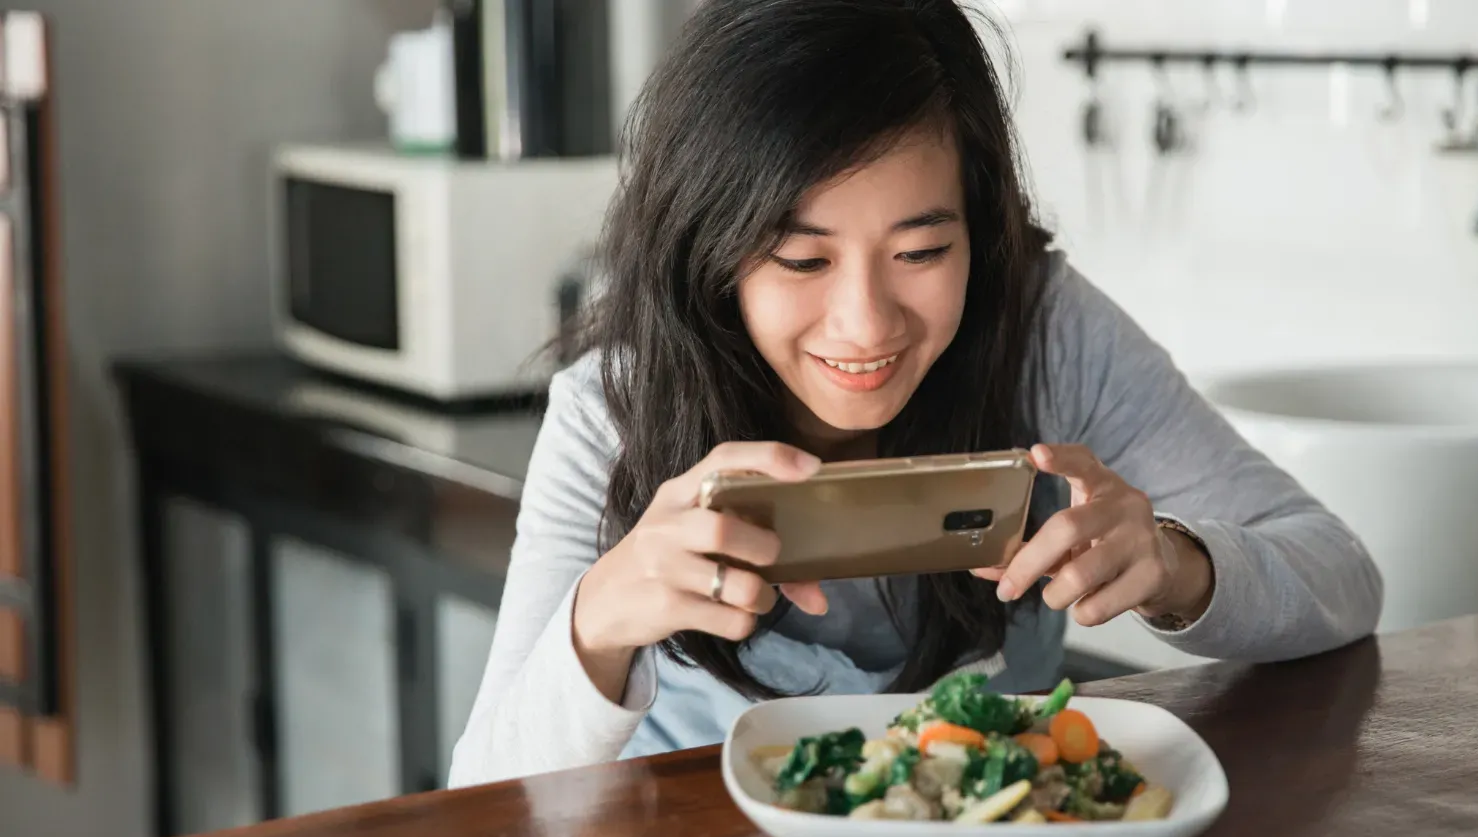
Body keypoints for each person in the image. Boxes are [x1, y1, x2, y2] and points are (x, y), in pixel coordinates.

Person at [447, 0, 1382, 788]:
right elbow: (484, 792)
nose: (866, 325)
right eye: (802, 258)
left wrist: (1178, 566)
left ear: (980, 225)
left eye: (923, 251)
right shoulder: (612, 408)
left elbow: (1341, 576)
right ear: (709, 246)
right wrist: (600, 620)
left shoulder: (1046, 331)